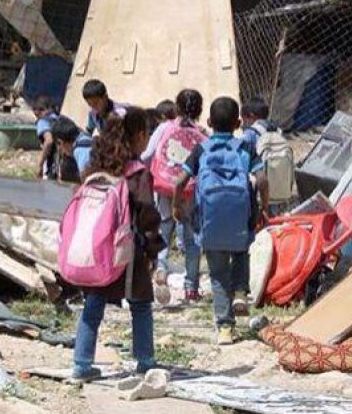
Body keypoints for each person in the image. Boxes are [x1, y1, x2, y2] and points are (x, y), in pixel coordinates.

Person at [71, 107, 163, 382]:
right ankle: (145, 361)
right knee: (141, 305)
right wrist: (153, 248)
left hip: (99, 250)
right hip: (129, 253)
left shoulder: (95, 169)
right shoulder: (137, 173)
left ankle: (81, 363)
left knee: (93, 305)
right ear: (138, 135)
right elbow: (147, 213)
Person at [173, 97, 268, 345]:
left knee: (216, 274)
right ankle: (239, 291)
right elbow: (263, 179)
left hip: (210, 218)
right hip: (241, 213)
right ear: (238, 123)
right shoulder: (245, 148)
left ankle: (225, 327)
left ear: (209, 122)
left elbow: (179, 182)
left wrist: (176, 206)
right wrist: (263, 207)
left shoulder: (201, 149)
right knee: (241, 252)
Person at [140, 90, 207, 302]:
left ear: (176, 108)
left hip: (163, 187)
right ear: (200, 109)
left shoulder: (164, 127)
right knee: (191, 238)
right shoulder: (203, 133)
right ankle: (191, 287)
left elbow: (148, 155)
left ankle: (161, 267)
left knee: (163, 228)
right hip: (189, 190)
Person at [50, 116, 93, 183]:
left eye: (59, 146)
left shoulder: (80, 150)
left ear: (60, 142)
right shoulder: (84, 136)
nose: (61, 150)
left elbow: (86, 179)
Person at [32, 95, 59, 179]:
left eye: (41, 109)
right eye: (35, 109)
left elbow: (49, 141)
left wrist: (40, 165)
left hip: (52, 162)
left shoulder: (42, 121)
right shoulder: (57, 119)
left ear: (49, 108)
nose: (37, 112)